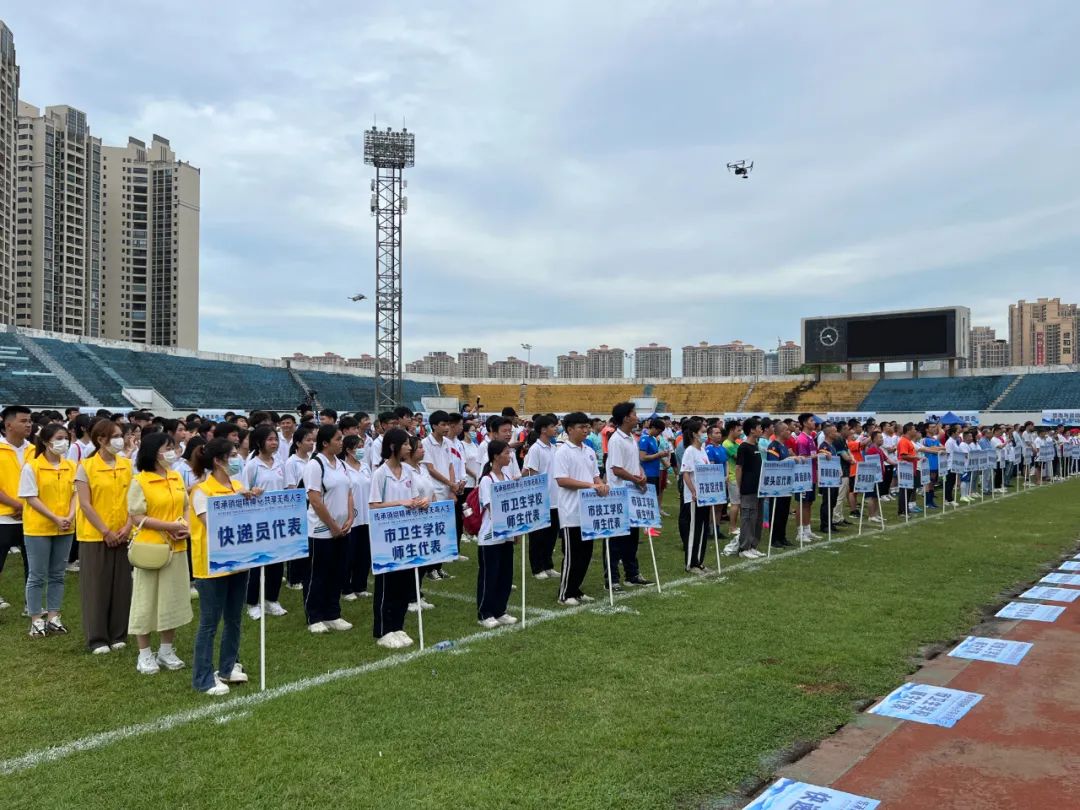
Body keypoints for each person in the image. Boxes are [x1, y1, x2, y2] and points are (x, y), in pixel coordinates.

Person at [188, 438, 254, 696]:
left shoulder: (238, 485)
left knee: (234, 618)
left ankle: (228, 667)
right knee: (209, 622)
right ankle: (203, 677)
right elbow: (211, 524)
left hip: (238, 562)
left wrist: (252, 499)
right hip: (211, 565)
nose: (238, 458)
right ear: (218, 461)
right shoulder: (202, 491)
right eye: (233, 454)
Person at [128, 432, 193, 675]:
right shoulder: (141, 480)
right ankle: (144, 654)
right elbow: (136, 516)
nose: (172, 451)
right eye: (167, 447)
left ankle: (166, 650)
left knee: (172, 600)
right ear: (154, 451)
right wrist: (170, 527)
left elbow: (186, 506)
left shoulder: (175, 477)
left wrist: (184, 527)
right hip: (151, 549)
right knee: (146, 601)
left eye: (173, 447)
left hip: (177, 547)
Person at [74, 419, 134, 653]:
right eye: (116, 435)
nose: (121, 440)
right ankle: (97, 637)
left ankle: (119, 633)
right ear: (101, 440)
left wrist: (127, 527)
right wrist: (105, 531)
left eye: (122, 435)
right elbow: (86, 505)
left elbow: (134, 500)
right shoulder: (85, 467)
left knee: (121, 586)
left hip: (123, 533)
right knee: (96, 586)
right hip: (95, 536)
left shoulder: (127, 465)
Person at [369, 428, 425, 649]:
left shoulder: (408, 472)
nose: (409, 448)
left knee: (403, 582)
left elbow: (414, 497)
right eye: (405, 444)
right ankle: (383, 629)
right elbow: (373, 505)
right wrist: (399, 503)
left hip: (406, 536)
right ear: (393, 447)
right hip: (386, 537)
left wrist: (421, 502)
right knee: (387, 584)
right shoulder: (380, 474)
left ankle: (398, 626)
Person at [19, 423, 77, 637]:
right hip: (39, 528)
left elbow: (75, 494)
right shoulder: (32, 466)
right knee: (37, 575)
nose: (64, 442)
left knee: (57, 574)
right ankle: (36, 618)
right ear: (45, 442)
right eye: (59, 438)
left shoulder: (71, 466)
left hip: (65, 527)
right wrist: (54, 517)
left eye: (66, 438)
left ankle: (53, 616)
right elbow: (30, 497)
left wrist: (69, 517)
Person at [302, 425, 354, 634]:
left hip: (343, 528)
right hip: (321, 530)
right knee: (317, 574)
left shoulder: (341, 464)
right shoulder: (315, 465)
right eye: (338, 439)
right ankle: (314, 615)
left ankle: (333, 613)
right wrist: (332, 525)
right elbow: (315, 500)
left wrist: (350, 517)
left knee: (338, 572)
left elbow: (349, 492)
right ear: (325, 443)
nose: (342, 442)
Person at [553, 412, 607, 606]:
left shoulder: (589, 451)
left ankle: (576, 589)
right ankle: (565, 593)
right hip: (571, 511)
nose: (586, 430)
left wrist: (601, 485)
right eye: (581, 427)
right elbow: (562, 480)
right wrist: (590, 486)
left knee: (585, 553)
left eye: (587, 427)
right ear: (569, 429)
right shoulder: (562, 452)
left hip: (588, 510)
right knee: (572, 554)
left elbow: (595, 476)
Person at [241, 425, 288, 620]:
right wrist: (252, 493)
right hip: (258, 521)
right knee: (257, 562)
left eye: (275, 439)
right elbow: (244, 492)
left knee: (276, 562)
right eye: (270, 439)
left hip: (277, 520)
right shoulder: (252, 465)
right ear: (260, 442)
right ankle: (252, 603)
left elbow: (286, 489)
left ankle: (271, 599)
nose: (274, 443)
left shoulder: (280, 463)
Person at [604, 402, 652, 589]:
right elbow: (616, 469)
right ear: (625, 418)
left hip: (632, 493)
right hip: (619, 493)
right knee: (615, 538)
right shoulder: (616, 439)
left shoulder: (631, 438)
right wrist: (635, 479)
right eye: (634, 414)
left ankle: (632, 574)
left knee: (632, 537)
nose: (637, 417)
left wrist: (641, 474)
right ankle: (612, 579)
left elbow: (634, 463)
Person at [475, 440, 519, 628]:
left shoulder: (508, 478)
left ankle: (500, 609)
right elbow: (491, 507)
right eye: (506, 453)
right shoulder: (487, 480)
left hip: (507, 534)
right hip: (490, 535)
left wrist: (515, 530)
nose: (509, 456)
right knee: (489, 575)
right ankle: (485, 612)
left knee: (505, 574)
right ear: (495, 456)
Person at [0, 405, 33, 611]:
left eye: (30, 421)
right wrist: (15, 504)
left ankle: (32, 602)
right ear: (8, 424)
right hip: (3, 516)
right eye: (23, 421)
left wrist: (27, 505)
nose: (28, 424)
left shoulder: (34, 450)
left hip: (31, 516)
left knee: (32, 563)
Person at [522, 414, 561, 580]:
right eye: (553, 426)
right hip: (541, 499)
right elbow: (532, 473)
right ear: (543, 429)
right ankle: (537, 567)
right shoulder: (535, 449)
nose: (556, 428)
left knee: (551, 536)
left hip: (555, 499)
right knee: (538, 536)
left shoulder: (554, 448)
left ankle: (548, 565)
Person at [283, 423, 316, 589]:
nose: (311, 443)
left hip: (312, 503)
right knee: (297, 541)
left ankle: (304, 574)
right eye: (308, 440)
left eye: (312, 440)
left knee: (308, 542)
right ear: (298, 443)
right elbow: (290, 488)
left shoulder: (312, 460)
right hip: (299, 503)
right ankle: (293, 578)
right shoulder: (291, 463)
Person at [340, 434, 372, 601]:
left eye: (362, 446)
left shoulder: (366, 467)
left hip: (367, 517)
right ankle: (346, 588)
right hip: (352, 517)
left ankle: (360, 585)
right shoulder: (342, 468)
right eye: (358, 447)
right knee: (349, 554)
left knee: (364, 554)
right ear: (348, 450)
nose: (361, 450)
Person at [678, 417, 713, 571]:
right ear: (694, 434)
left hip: (704, 497)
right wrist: (693, 491)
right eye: (703, 431)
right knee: (694, 530)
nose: (705, 434)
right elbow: (685, 473)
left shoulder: (703, 450)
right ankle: (690, 564)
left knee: (703, 529)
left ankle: (699, 561)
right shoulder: (690, 451)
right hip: (694, 497)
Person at [736, 417, 765, 559]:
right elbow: (739, 468)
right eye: (759, 427)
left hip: (758, 487)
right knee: (747, 517)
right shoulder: (744, 447)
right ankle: (744, 548)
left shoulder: (756, 446)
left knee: (757, 518)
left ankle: (753, 545)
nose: (761, 430)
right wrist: (739, 488)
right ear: (752, 430)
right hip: (748, 488)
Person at [793, 413, 822, 543]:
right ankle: (800, 532)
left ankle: (807, 529)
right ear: (805, 423)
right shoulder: (802, 439)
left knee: (809, 503)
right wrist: (817, 456)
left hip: (812, 475)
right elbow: (802, 458)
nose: (814, 422)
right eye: (811, 420)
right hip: (804, 476)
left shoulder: (810, 438)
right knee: (802, 503)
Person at [765, 422, 793, 548]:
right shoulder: (774, 446)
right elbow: (774, 465)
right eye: (787, 430)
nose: (790, 432)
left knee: (784, 511)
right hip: (776, 485)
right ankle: (774, 538)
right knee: (776, 511)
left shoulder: (784, 446)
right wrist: (789, 460)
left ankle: (782, 536)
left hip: (785, 484)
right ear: (781, 432)